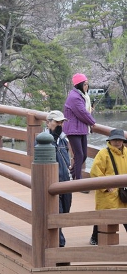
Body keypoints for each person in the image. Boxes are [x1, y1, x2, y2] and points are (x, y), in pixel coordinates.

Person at [89, 129, 127, 245]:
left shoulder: (126, 152)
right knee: (103, 216)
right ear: (110, 140)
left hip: (124, 190)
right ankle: (95, 238)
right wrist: (106, 186)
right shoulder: (103, 153)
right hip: (109, 191)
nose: (117, 142)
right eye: (114, 140)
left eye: (119, 140)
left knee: (125, 215)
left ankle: (95, 238)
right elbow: (95, 171)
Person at [45, 110, 71, 247]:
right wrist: (53, 139)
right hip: (52, 183)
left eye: (62, 122)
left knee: (65, 212)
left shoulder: (63, 139)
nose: (60, 125)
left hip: (66, 181)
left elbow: (66, 157)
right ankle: (59, 243)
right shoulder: (43, 139)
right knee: (57, 211)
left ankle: (58, 237)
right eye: (57, 122)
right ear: (48, 123)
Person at [63, 73, 96, 181]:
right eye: (84, 84)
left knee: (84, 155)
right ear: (79, 85)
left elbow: (83, 111)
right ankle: (78, 179)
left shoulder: (81, 96)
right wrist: (92, 122)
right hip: (73, 129)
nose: (87, 86)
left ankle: (72, 172)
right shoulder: (74, 97)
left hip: (81, 129)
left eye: (87, 84)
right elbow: (82, 112)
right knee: (79, 155)